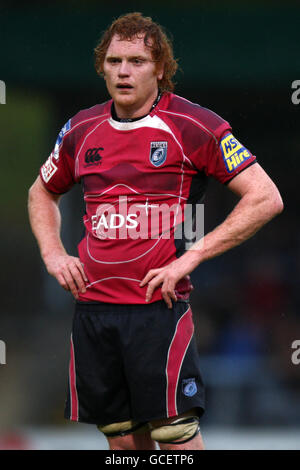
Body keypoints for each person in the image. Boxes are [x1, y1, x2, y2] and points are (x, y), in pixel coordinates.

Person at [28, 12, 283, 451]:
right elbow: (41, 192)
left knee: (174, 438)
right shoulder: (81, 128)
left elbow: (265, 197)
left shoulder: (193, 125)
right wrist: (53, 253)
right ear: (101, 67)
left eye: (136, 61)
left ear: (160, 68)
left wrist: (191, 256)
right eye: (113, 61)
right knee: (125, 443)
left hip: (156, 310)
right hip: (93, 312)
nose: (123, 71)